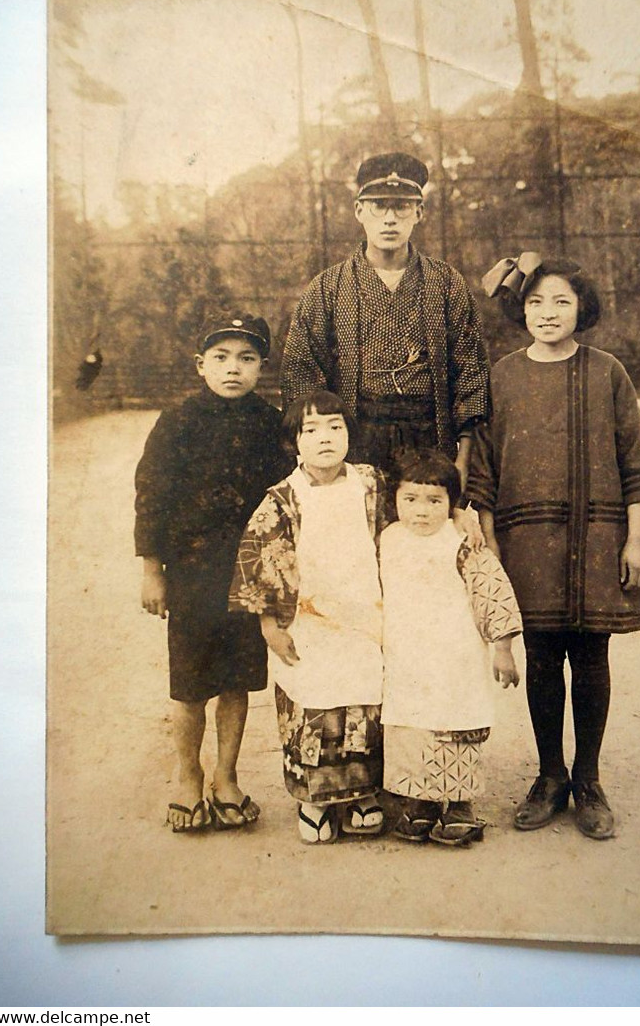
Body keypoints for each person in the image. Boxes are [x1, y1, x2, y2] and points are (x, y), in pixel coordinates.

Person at [467, 254, 640, 840]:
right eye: (535, 302)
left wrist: (637, 542)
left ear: (581, 308)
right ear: (520, 310)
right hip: (526, 543)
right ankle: (549, 776)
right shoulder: (502, 375)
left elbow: (636, 461)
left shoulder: (607, 371)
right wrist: (489, 546)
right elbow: (483, 466)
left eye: (561, 301)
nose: (548, 313)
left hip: (596, 539)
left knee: (590, 657)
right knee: (540, 659)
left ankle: (588, 779)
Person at [135, 312, 289, 833]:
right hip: (192, 573)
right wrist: (151, 569)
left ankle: (227, 777)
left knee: (237, 682)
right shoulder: (177, 421)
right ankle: (187, 776)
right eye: (221, 358)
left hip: (247, 574)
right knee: (190, 685)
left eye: (247, 359)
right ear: (201, 364)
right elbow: (151, 496)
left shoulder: (270, 424)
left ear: (262, 367)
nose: (233, 369)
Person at [228, 390, 388, 845]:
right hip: (307, 619)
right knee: (315, 702)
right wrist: (269, 626)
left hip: (363, 616)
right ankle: (314, 798)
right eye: (311, 429)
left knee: (363, 701)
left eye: (335, 427)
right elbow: (258, 558)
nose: (325, 438)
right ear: (294, 442)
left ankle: (361, 794)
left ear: (350, 436)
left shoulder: (370, 485)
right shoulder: (283, 498)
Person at [279, 152, 491, 488]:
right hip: (353, 442)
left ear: (419, 212)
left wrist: (462, 461)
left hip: (431, 440)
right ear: (359, 211)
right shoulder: (327, 287)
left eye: (402, 206)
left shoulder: (447, 283)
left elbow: (471, 376)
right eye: (379, 205)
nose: (390, 219)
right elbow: (301, 376)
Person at [380, 449, 522, 847]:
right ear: (395, 499)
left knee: (456, 724)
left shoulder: (461, 543)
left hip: (454, 654)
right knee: (412, 724)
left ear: (452, 504)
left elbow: (493, 593)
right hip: (407, 655)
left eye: (434, 501)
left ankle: (460, 804)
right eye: (410, 500)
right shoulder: (387, 540)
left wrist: (503, 649)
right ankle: (422, 803)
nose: (421, 512)